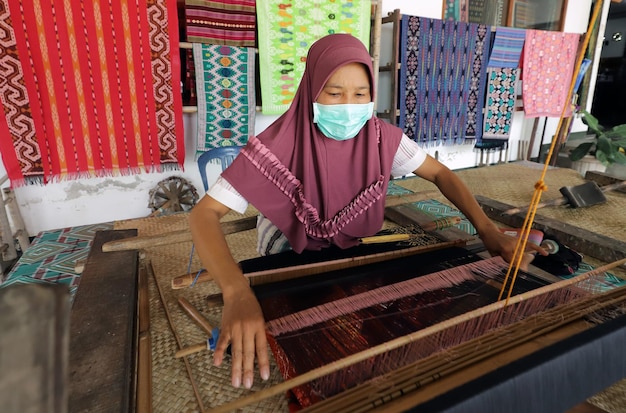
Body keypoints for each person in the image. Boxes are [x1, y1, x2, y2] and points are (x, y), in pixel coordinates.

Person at [189, 33, 546, 390]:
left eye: (360, 94)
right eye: (334, 93)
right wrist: (237, 292)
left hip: (352, 242)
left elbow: (439, 173)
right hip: (287, 248)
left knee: (381, 320)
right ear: (311, 88)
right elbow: (203, 215)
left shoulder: (382, 138)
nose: (349, 105)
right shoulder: (277, 145)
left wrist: (487, 231)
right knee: (310, 330)